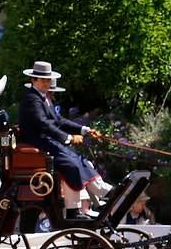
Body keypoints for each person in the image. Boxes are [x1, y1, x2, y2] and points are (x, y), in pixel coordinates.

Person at [17, 61, 112, 217]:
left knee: (78, 159)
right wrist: (68, 137)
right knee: (71, 164)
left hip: (46, 140)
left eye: (49, 80)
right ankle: (73, 211)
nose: (48, 83)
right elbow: (43, 123)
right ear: (33, 80)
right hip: (37, 142)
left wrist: (84, 130)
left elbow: (59, 120)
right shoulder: (31, 99)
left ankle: (105, 192)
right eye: (44, 80)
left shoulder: (41, 98)